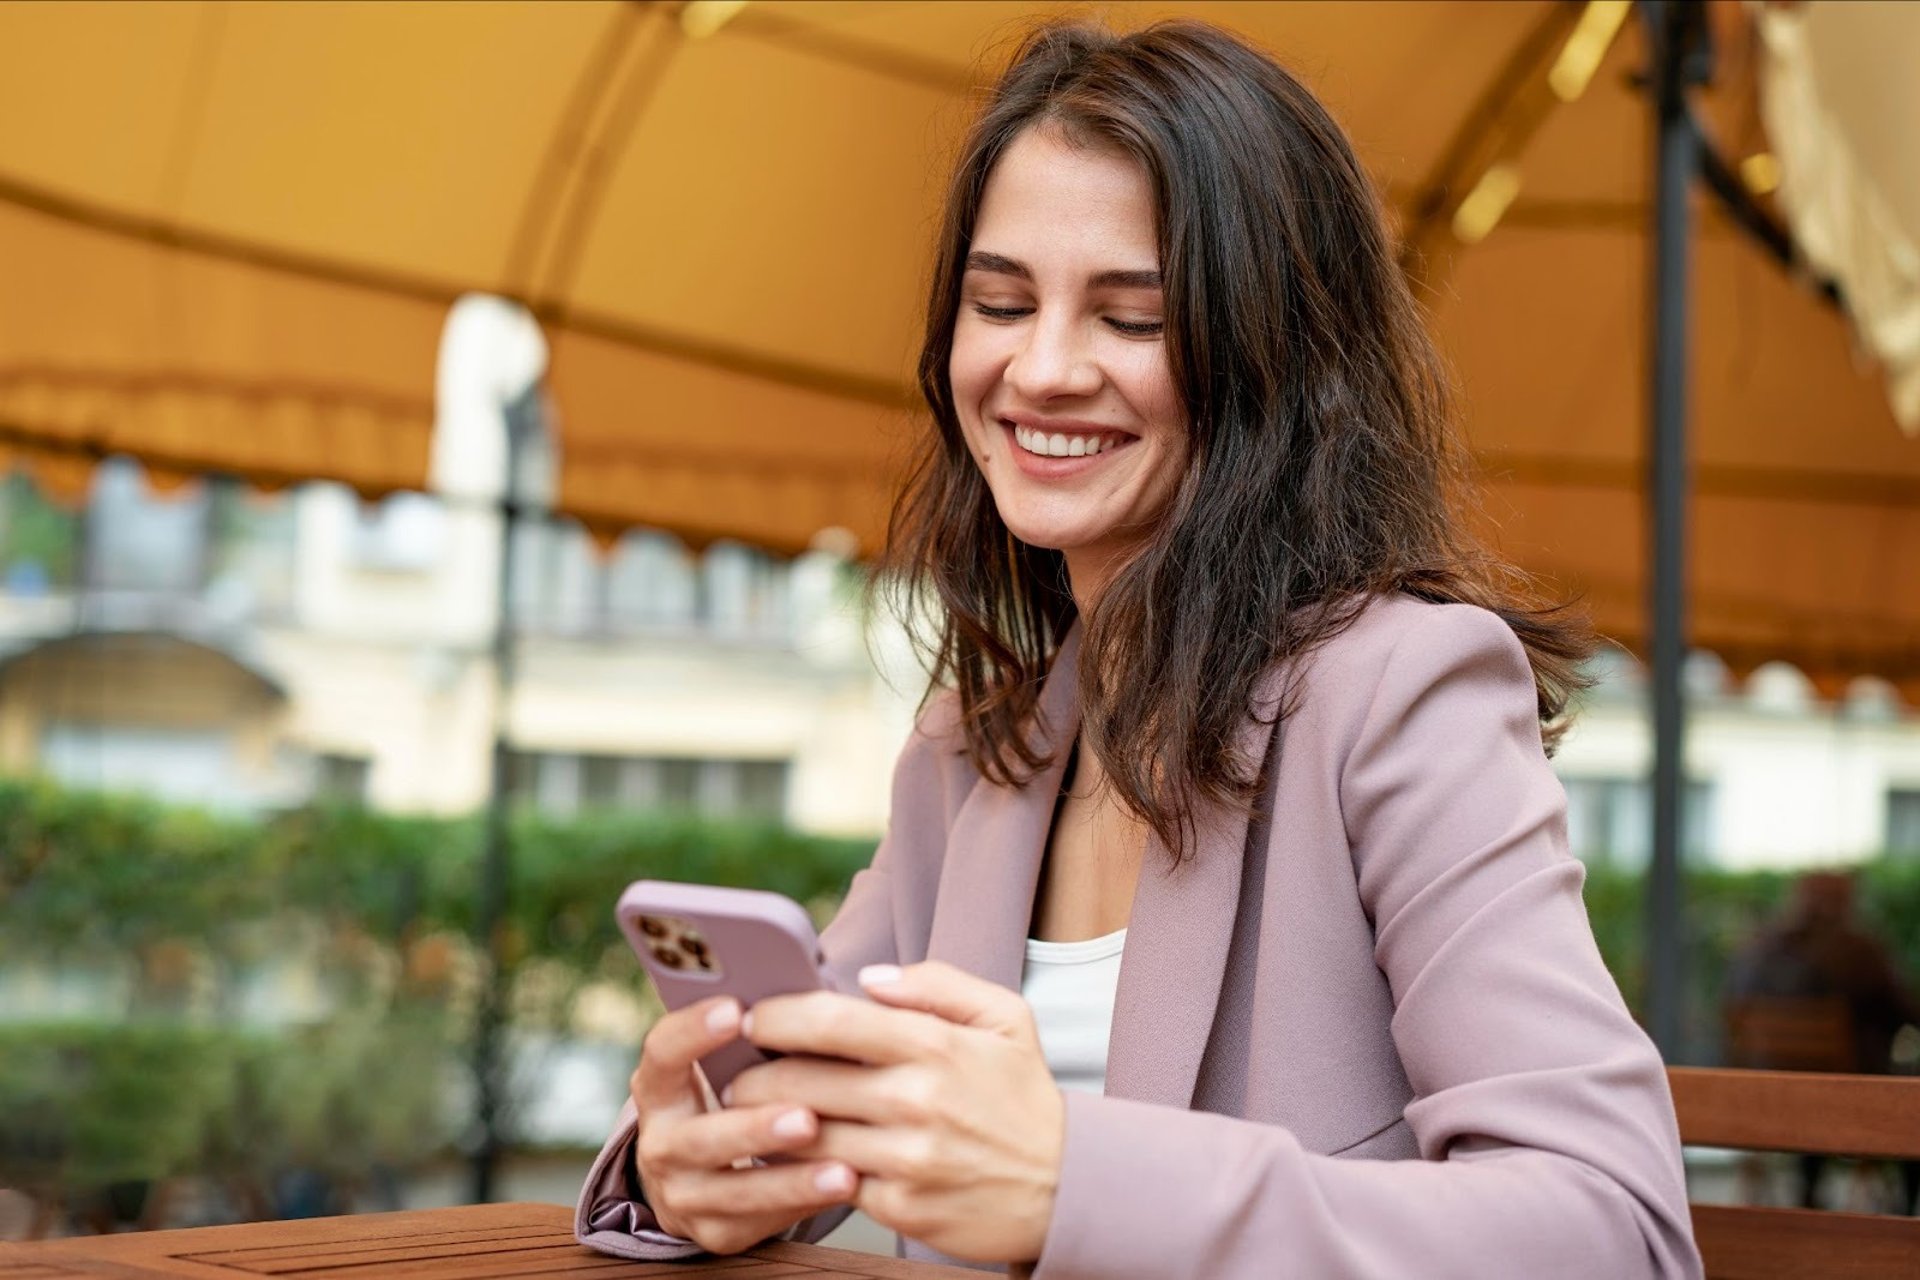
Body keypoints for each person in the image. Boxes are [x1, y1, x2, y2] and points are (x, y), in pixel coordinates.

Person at [576, 19, 1701, 1278]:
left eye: (1133, 319)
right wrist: (696, 1159)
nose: (1041, 369)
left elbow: (1617, 1227)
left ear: (1276, 355)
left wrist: (1075, 1183)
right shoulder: (979, 744)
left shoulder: (1403, 689)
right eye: (1000, 302)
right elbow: (812, 1087)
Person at [1724, 871, 1920, 1212]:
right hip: (1846, 1095)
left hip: (1764, 1096)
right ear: (1845, 903)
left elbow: (1731, 1006)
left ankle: (1809, 1193)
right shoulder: (1859, 951)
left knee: (1809, 1081)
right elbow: (1903, 1015)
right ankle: (1904, 1215)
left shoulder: (1756, 951)